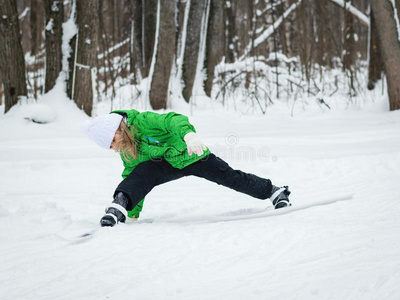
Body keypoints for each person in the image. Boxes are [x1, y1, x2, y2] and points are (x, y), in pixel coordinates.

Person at [81, 109, 291, 227]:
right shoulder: (127, 148)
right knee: (141, 173)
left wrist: (189, 136)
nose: (112, 148)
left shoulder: (143, 121)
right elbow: (131, 175)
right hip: (163, 165)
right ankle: (119, 206)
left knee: (229, 177)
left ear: (117, 130)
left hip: (190, 153)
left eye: (111, 142)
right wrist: (132, 212)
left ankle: (274, 192)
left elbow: (174, 120)